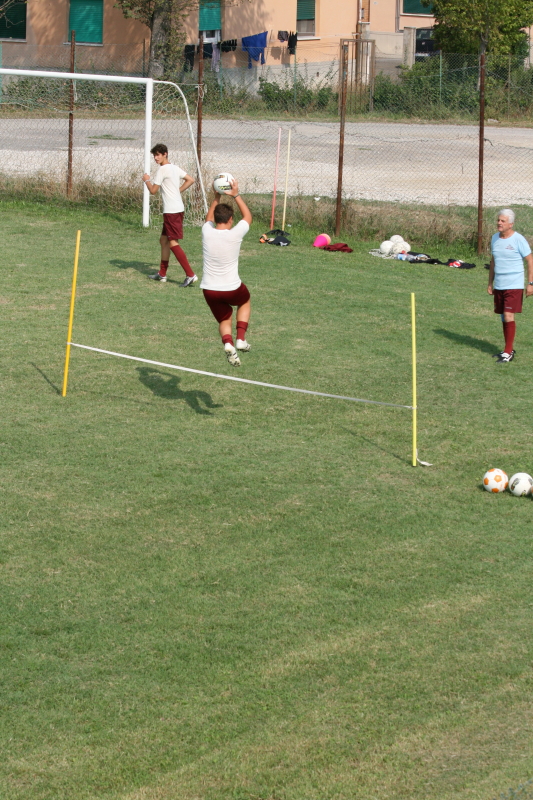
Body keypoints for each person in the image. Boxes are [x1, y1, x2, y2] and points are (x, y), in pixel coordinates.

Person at [201, 178, 252, 367]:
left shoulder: (206, 231)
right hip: (231, 287)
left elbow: (208, 219)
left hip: (209, 289)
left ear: (215, 219)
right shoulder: (235, 233)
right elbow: (248, 217)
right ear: (231, 220)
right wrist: (236, 195)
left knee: (224, 318)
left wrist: (216, 197)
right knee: (245, 301)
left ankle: (228, 343)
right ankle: (240, 339)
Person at [142, 143, 197, 286]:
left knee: (173, 242)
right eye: (154, 155)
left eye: (158, 155)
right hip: (176, 209)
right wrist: (177, 191)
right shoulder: (174, 167)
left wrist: (146, 180)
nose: (156, 158)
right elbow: (191, 180)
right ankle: (162, 274)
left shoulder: (162, 169)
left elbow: (153, 191)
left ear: (165, 154)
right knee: (163, 240)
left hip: (172, 211)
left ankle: (190, 275)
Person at [488, 208, 533, 363]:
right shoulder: (494, 238)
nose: (499, 223)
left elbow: (530, 260)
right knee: (503, 316)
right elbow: (493, 261)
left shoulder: (518, 239)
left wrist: (530, 283)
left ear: (511, 224)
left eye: (503, 221)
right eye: (498, 220)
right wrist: (490, 282)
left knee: (508, 315)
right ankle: (507, 349)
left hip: (514, 284)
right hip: (499, 284)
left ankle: (508, 352)